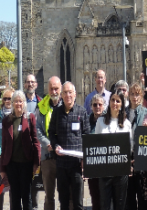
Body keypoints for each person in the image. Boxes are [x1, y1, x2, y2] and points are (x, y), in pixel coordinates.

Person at [49, 82, 91, 210]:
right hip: (61, 164)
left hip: (77, 164)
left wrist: (85, 159)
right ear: (61, 95)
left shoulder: (82, 112)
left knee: (78, 202)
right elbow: (51, 132)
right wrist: (55, 145)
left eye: (70, 92)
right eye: (65, 92)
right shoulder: (56, 112)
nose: (68, 95)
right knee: (64, 202)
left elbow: (87, 135)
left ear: (75, 94)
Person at [0, 90, 41, 210]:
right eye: (16, 101)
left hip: (26, 164)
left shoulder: (30, 118)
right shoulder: (6, 120)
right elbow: (4, 145)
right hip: (12, 165)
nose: (19, 104)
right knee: (15, 197)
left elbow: (35, 141)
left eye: (21, 101)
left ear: (24, 103)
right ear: (12, 103)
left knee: (26, 196)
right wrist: (3, 168)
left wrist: (36, 163)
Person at [96, 92, 132, 210]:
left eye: (118, 101)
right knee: (105, 205)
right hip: (104, 171)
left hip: (120, 172)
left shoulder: (127, 124)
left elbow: (129, 147)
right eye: (112, 100)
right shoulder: (100, 122)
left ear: (122, 104)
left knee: (120, 205)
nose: (115, 103)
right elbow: (95, 144)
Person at [35, 76, 64, 210]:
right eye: (51, 89)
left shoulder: (66, 105)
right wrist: (48, 144)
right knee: (49, 195)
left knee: (65, 194)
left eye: (56, 88)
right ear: (48, 89)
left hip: (64, 157)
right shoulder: (42, 107)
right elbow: (38, 130)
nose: (54, 92)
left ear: (61, 89)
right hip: (48, 157)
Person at [126, 83, 147, 210]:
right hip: (127, 159)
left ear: (141, 96)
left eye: (137, 94)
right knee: (129, 199)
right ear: (129, 96)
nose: (135, 97)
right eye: (132, 94)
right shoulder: (122, 113)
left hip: (141, 159)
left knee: (142, 198)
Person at [0, 89, 13, 210]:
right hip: (1, 159)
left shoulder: (16, 115)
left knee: (13, 191)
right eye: (5, 98)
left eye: (9, 98)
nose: (7, 101)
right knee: (0, 190)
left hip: (13, 158)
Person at [24, 74, 43, 209]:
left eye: (32, 82)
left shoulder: (41, 103)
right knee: (24, 182)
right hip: (23, 149)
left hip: (37, 149)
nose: (30, 84)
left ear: (36, 84)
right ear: (25, 84)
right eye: (28, 82)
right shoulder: (21, 102)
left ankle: (35, 207)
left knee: (36, 182)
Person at [87, 94, 105, 210]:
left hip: (105, 164)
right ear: (91, 106)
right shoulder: (86, 121)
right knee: (94, 195)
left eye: (100, 104)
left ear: (104, 106)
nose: (97, 106)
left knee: (106, 196)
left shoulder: (107, 120)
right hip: (92, 165)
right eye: (95, 104)